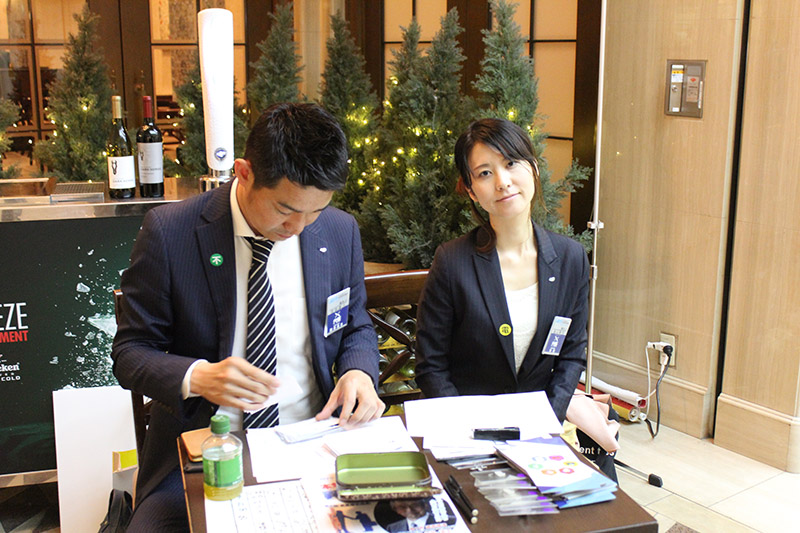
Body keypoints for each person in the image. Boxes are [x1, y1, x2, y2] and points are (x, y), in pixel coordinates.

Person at [112, 102, 384, 531]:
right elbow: (130, 353)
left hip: (312, 440)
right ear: (244, 173)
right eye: (285, 209)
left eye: (315, 210)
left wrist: (359, 372)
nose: (299, 226)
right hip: (205, 449)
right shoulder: (171, 231)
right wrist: (197, 377)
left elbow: (355, 325)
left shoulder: (337, 230)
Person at [415, 117, 588, 425]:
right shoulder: (452, 262)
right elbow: (431, 365)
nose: (502, 182)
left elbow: (571, 355)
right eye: (485, 173)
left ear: (534, 168)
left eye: (511, 163)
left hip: (538, 428)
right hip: (466, 429)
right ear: (471, 191)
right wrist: (467, 431)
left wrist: (547, 423)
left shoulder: (570, 258)